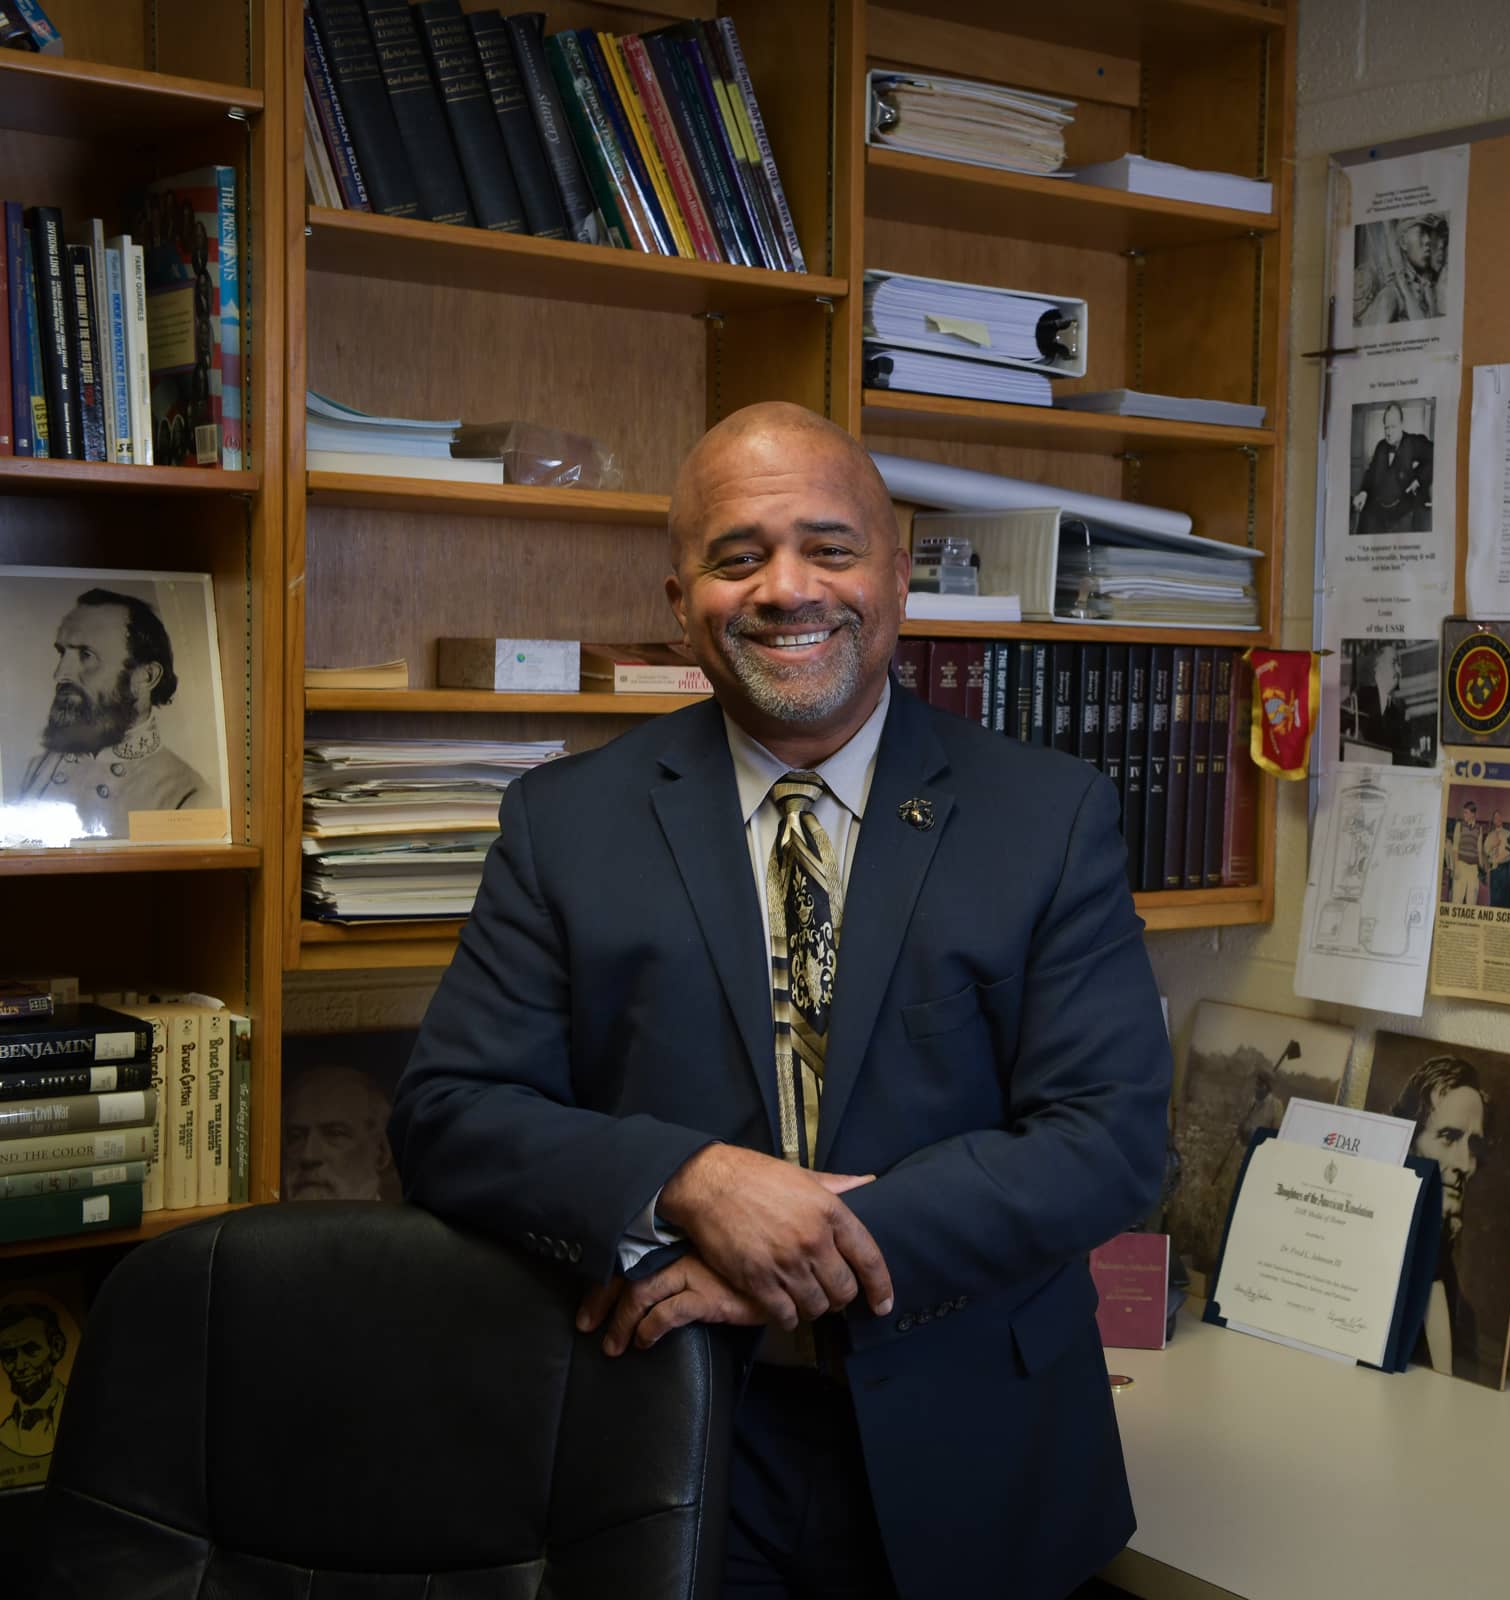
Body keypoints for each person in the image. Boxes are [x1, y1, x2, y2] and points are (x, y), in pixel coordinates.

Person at [390, 402, 1171, 1600]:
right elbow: (449, 1113)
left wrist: (802, 1251)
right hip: (672, 1434)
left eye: (830, 547)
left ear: (899, 580)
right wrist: (696, 1181)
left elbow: (1110, 1138)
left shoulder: (1049, 816)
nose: (786, 589)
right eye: (737, 556)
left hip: (978, 1444)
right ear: (679, 599)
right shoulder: (565, 824)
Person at [11, 588, 207, 838]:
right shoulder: (35, 770)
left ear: (146, 677)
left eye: (86, 655)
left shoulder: (187, 794)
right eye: (63, 653)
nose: (60, 674)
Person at [1384, 1056, 1488, 1380]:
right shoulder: (1374, 1272)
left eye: (1474, 1145)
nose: (1464, 1163)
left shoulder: (1464, 1315)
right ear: (1409, 1142)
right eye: (1448, 1137)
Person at [283, 1065, 399, 1202]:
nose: (308, 1156)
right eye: (295, 1137)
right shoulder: (265, 1222)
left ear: (381, 1152)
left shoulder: (408, 1223)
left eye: (335, 1133)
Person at [0, 1299, 68, 1463]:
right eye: (9, 1356)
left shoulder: (82, 1410)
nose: (19, 1366)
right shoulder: (5, 1433)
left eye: (31, 1350)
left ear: (56, 1347)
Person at [1352, 403, 1433, 534]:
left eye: (1393, 427)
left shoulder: (1414, 442)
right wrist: (1363, 492)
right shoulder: (1381, 446)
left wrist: (1419, 479)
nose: (1389, 433)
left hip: (1404, 514)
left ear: (1401, 424)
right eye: (1386, 428)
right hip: (1379, 511)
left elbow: (1435, 455)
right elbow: (1371, 473)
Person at [1353, 215, 1445, 325]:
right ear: (1403, 242)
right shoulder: (1391, 295)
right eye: (1421, 233)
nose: (1428, 240)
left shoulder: (1429, 288)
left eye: (1429, 233)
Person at [1446, 798, 1485, 905]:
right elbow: (1455, 848)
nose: (1464, 815)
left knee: (1471, 902)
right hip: (1461, 866)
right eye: (1464, 812)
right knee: (1457, 900)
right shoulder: (1459, 826)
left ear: (1473, 814)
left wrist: (1481, 870)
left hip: (1473, 869)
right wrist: (1456, 867)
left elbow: (1479, 850)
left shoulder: (1479, 828)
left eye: (1466, 812)